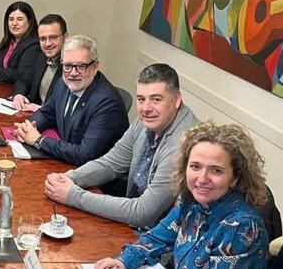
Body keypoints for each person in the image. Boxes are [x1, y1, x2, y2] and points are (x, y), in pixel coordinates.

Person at [94, 122, 274, 269]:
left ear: (235, 177)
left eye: (216, 170)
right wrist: (122, 261)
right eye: (195, 166)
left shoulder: (241, 227)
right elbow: (155, 240)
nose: (202, 178)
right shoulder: (191, 201)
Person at [43, 63, 198, 229]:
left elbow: (143, 213)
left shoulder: (182, 143)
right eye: (141, 99)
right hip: (131, 223)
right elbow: (112, 163)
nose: (146, 108)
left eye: (156, 99)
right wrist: (69, 177)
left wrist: (73, 196)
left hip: (157, 241)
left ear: (176, 100)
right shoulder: (148, 121)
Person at [14, 35, 128, 166]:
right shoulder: (63, 83)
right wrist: (28, 127)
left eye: (81, 66)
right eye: (67, 66)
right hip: (65, 162)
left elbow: (84, 154)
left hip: (95, 180)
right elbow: (47, 113)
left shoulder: (107, 103)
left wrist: (39, 140)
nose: (73, 73)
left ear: (95, 67)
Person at [11, 14, 67, 112]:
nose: (48, 44)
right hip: (34, 117)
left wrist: (42, 109)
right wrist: (18, 94)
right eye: (43, 39)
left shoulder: (72, 65)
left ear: (65, 36)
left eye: (53, 37)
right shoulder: (41, 57)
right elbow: (23, 80)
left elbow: (70, 111)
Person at [0, 1, 40, 83]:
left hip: (20, 93)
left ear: (29, 22)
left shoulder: (34, 44)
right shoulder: (8, 41)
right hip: (3, 88)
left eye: (20, 19)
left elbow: (20, 75)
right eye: (11, 19)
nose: (14, 23)